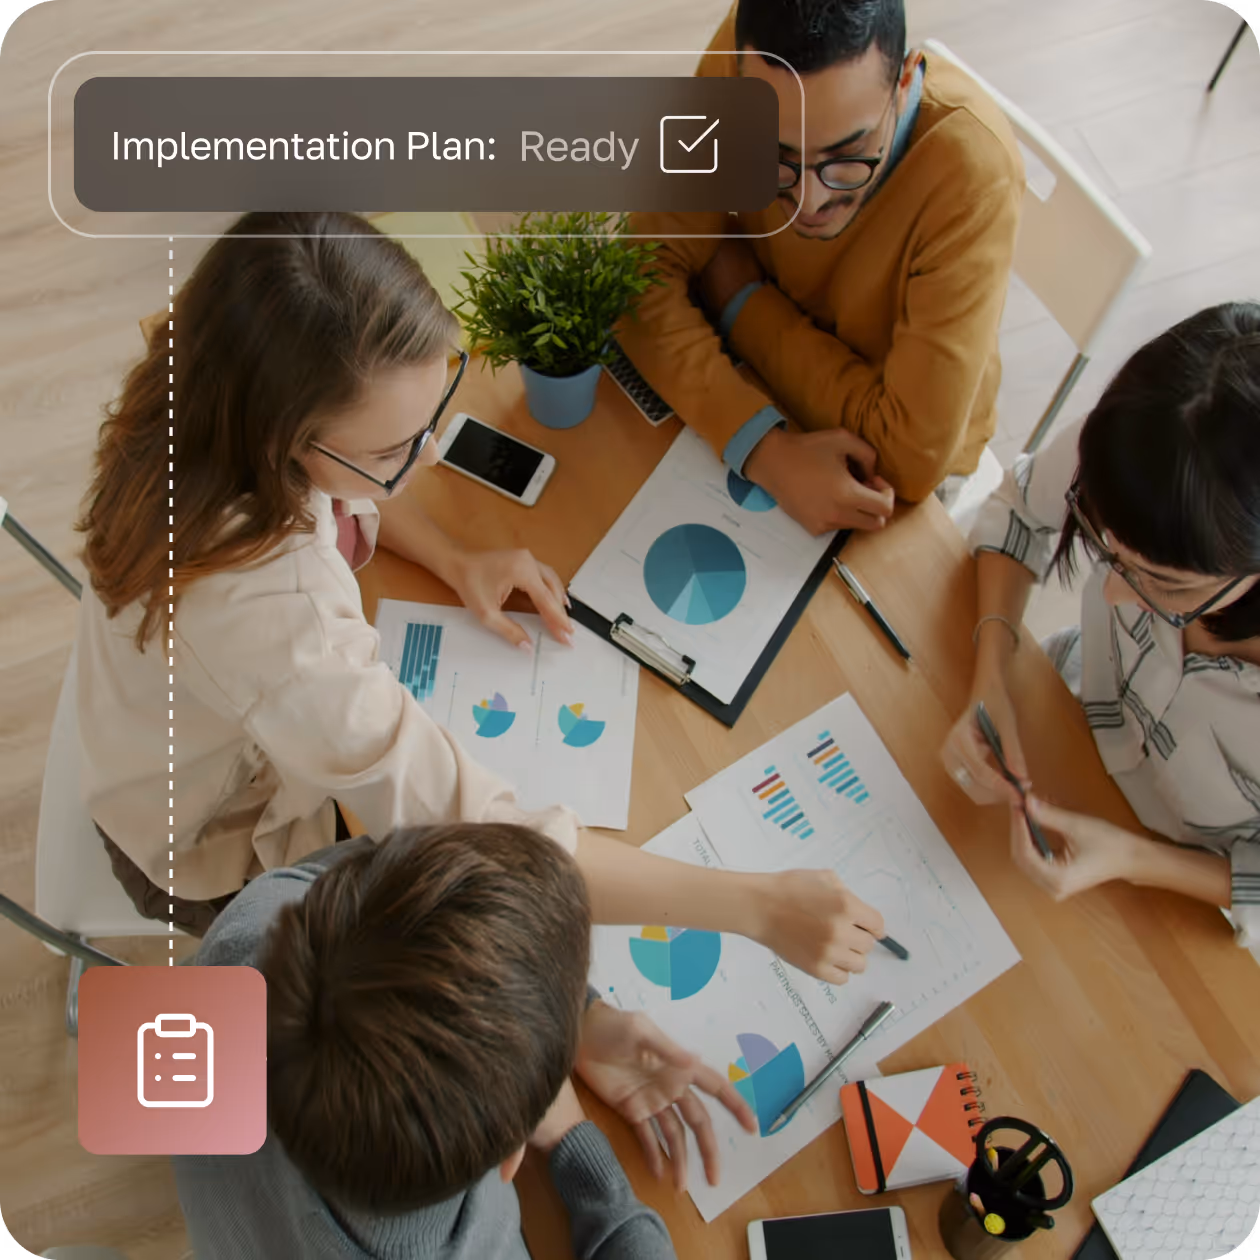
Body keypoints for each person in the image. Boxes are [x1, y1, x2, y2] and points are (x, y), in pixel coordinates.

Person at [76, 210, 886, 984]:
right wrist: (756, 905)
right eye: (395, 449)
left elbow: (341, 482)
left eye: (432, 418)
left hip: (162, 739)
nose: (428, 460)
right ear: (284, 436)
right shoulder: (271, 611)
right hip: (205, 853)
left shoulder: (207, 381)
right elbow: (487, 834)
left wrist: (455, 557)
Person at [172, 820, 758, 1258]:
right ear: (510, 1155)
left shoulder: (250, 932)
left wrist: (557, 1019)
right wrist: (583, 1153)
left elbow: (381, 875)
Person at [616, 0, 1023, 535]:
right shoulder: (743, 61)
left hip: (884, 478)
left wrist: (741, 299)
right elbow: (639, 272)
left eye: (848, 153)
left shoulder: (973, 177)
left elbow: (906, 460)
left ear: (904, 82)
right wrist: (764, 448)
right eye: (776, 152)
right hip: (760, 390)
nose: (810, 201)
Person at [942, 302, 1260, 951]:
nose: (1110, 591)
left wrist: (1137, 860)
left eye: (1164, 582)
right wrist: (991, 673)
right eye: (1106, 549)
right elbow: (1019, 511)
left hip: (1175, 905)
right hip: (1058, 715)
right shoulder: (1142, 455)